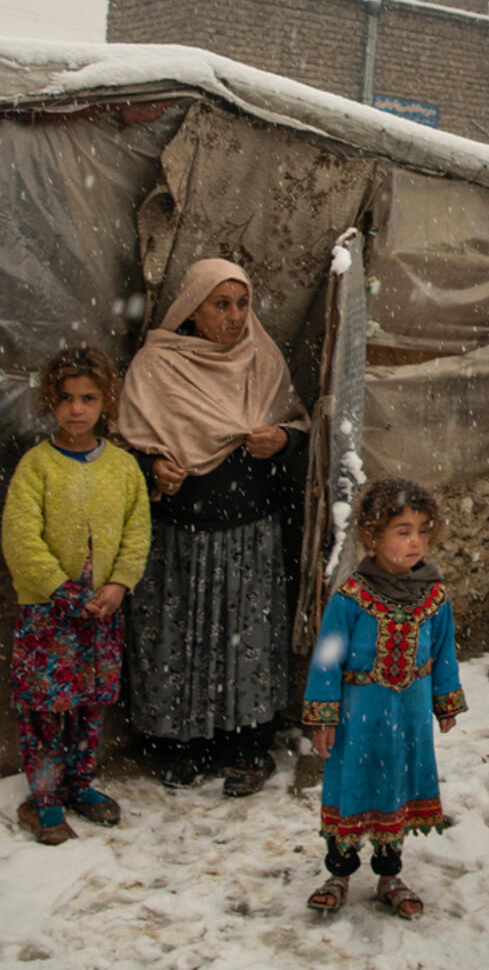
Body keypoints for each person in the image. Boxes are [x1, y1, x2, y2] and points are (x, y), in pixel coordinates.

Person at [115, 258, 308, 795]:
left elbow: (297, 424)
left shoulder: (260, 359)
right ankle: (182, 747)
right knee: (182, 640)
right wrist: (152, 468)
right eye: (220, 304)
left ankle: (246, 747)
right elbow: (124, 448)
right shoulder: (157, 366)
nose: (233, 316)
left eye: (242, 304)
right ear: (192, 307)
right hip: (180, 536)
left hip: (250, 533)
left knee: (244, 639)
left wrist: (283, 440)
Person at [2, 345, 151, 845]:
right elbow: (21, 537)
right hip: (48, 614)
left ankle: (79, 784)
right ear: (51, 401)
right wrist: (60, 590)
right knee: (45, 709)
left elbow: (137, 531)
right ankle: (44, 800)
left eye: (88, 397)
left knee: (88, 705)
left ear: (106, 401)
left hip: (101, 613)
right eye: (66, 398)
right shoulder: (37, 467)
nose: (77, 409)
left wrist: (117, 584)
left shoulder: (124, 468)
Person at [302, 478, 467, 918]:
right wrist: (324, 716)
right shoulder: (351, 598)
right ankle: (338, 873)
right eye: (403, 531)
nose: (416, 541)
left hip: (408, 716)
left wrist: (445, 701)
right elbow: (327, 660)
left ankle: (389, 875)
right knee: (352, 787)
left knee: (398, 787)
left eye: (422, 530)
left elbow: (443, 651)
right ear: (372, 537)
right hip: (359, 717)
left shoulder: (434, 595)